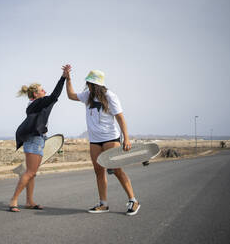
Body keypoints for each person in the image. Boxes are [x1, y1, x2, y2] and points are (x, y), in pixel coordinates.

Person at [65, 65, 140, 216]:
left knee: (117, 170)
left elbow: (120, 118)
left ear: (96, 84)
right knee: (99, 171)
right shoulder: (87, 95)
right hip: (94, 140)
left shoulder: (110, 96)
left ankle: (133, 200)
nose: (87, 85)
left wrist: (126, 138)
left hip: (110, 138)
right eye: (88, 83)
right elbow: (71, 95)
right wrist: (68, 78)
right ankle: (103, 204)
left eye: (90, 83)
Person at [8, 66, 69, 212]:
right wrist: (63, 78)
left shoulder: (36, 104)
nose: (45, 92)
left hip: (38, 139)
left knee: (32, 173)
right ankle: (13, 200)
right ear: (35, 94)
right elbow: (54, 96)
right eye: (42, 90)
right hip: (35, 140)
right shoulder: (35, 104)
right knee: (30, 172)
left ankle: (29, 201)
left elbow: (52, 99)